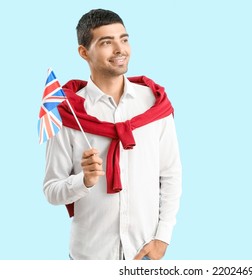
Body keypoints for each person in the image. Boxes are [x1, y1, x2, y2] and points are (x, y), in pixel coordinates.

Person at [43, 9, 182, 260]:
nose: (120, 49)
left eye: (124, 39)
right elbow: (52, 190)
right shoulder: (70, 113)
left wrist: (163, 236)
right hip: (89, 255)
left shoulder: (155, 105)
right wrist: (83, 181)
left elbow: (170, 174)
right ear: (84, 52)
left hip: (144, 254)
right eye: (107, 42)